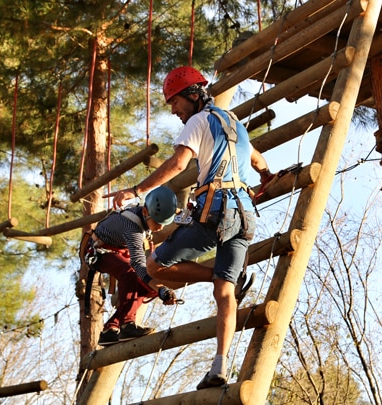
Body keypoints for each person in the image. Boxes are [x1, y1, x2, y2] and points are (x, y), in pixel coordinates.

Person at [106, 66, 273, 389]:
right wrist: (267, 178)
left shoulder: (198, 121)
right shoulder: (234, 123)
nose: (173, 110)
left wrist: (136, 191)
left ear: (192, 96)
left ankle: (219, 275)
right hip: (245, 215)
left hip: (217, 211)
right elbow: (257, 160)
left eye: (174, 102)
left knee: (153, 266)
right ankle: (219, 368)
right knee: (225, 291)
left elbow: (179, 163)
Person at [83, 186, 182, 346]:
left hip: (118, 250)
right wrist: (160, 289)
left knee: (145, 286)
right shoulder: (132, 229)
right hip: (98, 251)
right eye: (158, 222)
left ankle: (111, 328)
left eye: (165, 223)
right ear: (145, 212)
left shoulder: (146, 214)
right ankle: (127, 324)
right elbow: (137, 264)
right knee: (131, 273)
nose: (161, 227)